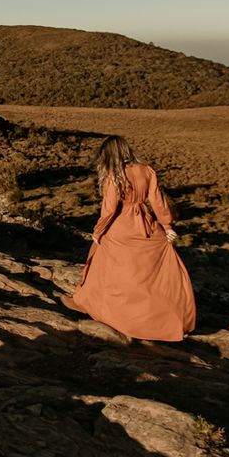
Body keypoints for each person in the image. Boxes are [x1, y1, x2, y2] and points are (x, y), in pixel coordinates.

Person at [64, 135, 196, 341]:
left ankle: (117, 315)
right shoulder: (147, 171)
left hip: (120, 228)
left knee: (112, 270)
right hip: (146, 226)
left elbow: (109, 210)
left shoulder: (114, 176)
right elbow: (158, 201)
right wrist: (166, 225)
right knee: (149, 276)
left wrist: (98, 232)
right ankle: (162, 320)